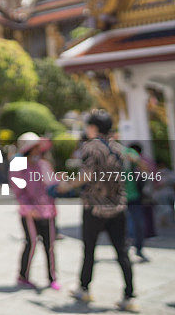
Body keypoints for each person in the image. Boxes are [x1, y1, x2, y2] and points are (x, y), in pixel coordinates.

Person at [58, 111, 136, 312]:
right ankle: (130, 296)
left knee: (89, 250)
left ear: (93, 127)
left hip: (94, 207)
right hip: (118, 206)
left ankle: (84, 288)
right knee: (122, 252)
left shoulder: (91, 146)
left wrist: (65, 186)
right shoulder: (118, 148)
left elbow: (87, 174)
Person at [12, 132, 58, 290]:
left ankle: (52, 278)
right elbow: (19, 192)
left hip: (47, 212)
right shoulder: (18, 167)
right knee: (31, 244)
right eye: (35, 147)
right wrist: (29, 208)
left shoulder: (44, 165)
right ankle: (23, 276)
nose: (38, 150)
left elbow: (52, 185)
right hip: (30, 213)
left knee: (49, 245)